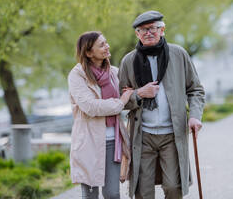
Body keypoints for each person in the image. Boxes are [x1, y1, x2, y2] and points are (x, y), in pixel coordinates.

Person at [118, 11, 205, 199]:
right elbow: (121, 100)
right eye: (143, 30)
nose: (148, 33)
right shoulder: (128, 61)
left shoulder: (178, 54)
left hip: (172, 134)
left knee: (174, 188)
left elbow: (195, 90)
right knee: (142, 191)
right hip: (143, 135)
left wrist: (195, 116)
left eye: (153, 28)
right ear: (137, 34)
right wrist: (139, 94)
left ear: (162, 30)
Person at [68, 31, 133, 199]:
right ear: (89, 53)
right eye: (102, 45)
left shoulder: (114, 73)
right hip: (88, 143)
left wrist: (137, 94)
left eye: (106, 42)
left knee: (112, 194)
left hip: (113, 142)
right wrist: (121, 102)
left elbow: (130, 92)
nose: (107, 46)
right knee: (90, 196)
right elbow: (91, 106)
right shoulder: (77, 75)